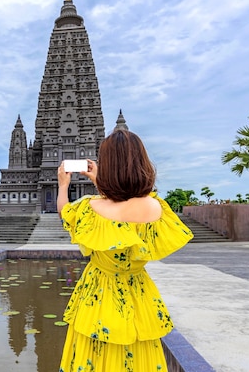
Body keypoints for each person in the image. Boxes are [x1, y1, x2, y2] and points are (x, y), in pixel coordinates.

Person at [57, 130, 193, 372]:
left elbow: (65, 214)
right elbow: (125, 206)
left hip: (97, 295)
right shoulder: (157, 208)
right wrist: (102, 183)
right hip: (139, 294)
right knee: (138, 353)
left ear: (106, 165)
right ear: (143, 162)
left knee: (93, 355)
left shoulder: (90, 209)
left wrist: (63, 186)